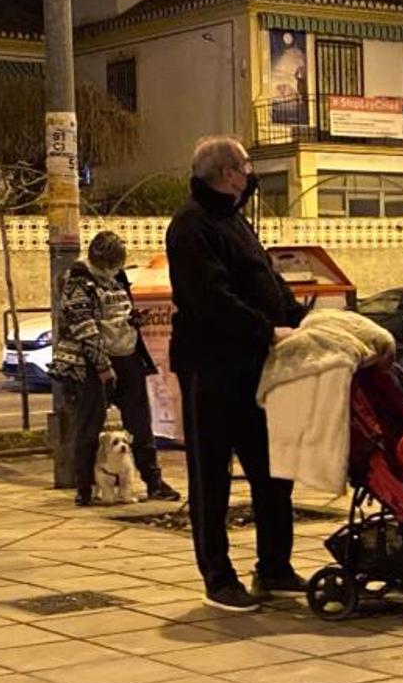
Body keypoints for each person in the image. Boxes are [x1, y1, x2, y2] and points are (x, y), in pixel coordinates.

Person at [166, 135, 307, 613]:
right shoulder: (191, 225)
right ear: (227, 173)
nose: (251, 173)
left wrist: (297, 319)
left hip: (254, 368)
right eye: (246, 165)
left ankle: (274, 566)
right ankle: (218, 577)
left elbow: (264, 277)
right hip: (212, 367)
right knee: (211, 476)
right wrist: (267, 330)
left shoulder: (233, 218)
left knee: (272, 471)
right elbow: (212, 297)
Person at [49, 230, 181, 507]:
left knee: (140, 424)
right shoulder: (77, 282)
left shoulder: (117, 278)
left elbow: (120, 311)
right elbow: (84, 327)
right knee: (89, 426)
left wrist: (133, 318)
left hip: (128, 355)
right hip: (93, 364)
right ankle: (85, 487)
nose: (114, 269)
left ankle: (153, 481)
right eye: (111, 263)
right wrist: (102, 365)